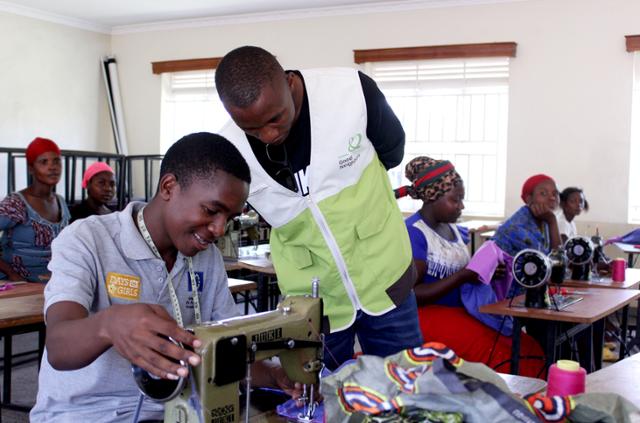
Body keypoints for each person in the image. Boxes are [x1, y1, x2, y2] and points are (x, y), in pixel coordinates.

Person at [30, 133, 305, 422]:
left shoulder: (206, 256)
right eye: (211, 211)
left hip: (178, 410)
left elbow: (227, 351)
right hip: (89, 414)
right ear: (169, 187)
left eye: (231, 218)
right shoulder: (88, 239)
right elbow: (59, 346)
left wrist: (275, 375)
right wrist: (107, 325)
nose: (220, 229)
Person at [215, 46, 421, 370]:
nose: (269, 135)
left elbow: (392, 153)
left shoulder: (352, 92)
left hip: (384, 276)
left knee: (406, 392)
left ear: (289, 82)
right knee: (319, 402)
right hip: (313, 302)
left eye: (275, 118)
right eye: (253, 129)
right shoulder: (229, 151)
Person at [398, 156, 544, 377]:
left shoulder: (453, 230)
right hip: (425, 318)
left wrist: (486, 273)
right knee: (498, 353)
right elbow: (412, 295)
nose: (461, 206)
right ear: (432, 197)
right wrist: (463, 276)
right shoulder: (414, 233)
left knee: (527, 346)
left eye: (462, 199)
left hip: (459, 312)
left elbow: (463, 276)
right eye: (455, 200)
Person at [0, 137, 70, 282]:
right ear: (31, 168)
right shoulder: (16, 203)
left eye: (56, 161)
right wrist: (12, 275)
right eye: (44, 162)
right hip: (17, 284)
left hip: (53, 282)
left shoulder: (60, 201)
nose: (52, 167)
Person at [492, 174, 562, 258]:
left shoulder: (544, 219)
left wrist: (551, 220)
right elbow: (556, 260)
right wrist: (552, 221)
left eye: (555, 193)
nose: (552, 198)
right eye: (543, 193)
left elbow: (556, 259)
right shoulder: (516, 228)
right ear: (529, 199)